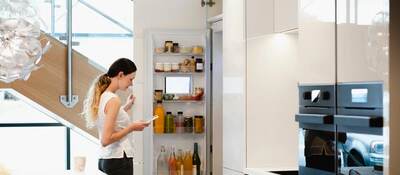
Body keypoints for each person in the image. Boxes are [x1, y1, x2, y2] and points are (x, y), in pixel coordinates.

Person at [82, 58, 150, 175]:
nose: (131, 84)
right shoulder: (114, 100)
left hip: (107, 159)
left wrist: (126, 107)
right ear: (120, 75)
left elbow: (110, 118)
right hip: (119, 160)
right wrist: (131, 127)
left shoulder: (103, 96)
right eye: (131, 79)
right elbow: (106, 140)